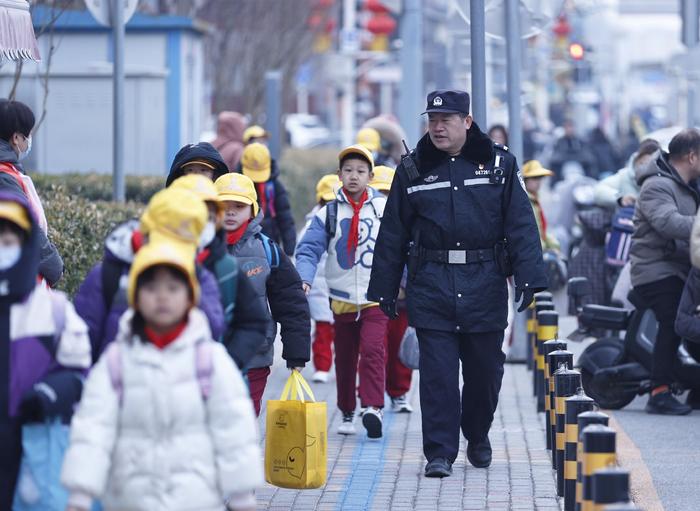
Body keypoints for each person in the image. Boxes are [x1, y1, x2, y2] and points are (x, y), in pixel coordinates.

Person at [368, 90, 546, 477]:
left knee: (486, 374)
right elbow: (393, 232)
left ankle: (477, 434)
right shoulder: (413, 169)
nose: (437, 126)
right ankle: (440, 452)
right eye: (432, 119)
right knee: (438, 378)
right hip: (431, 285)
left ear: (466, 122)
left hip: (484, 284)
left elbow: (521, 224)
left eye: (446, 119)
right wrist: (383, 288)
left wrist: (530, 278)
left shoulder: (499, 164)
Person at [61, 240, 262, 511]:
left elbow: (233, 428)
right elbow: (94, 428)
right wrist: (80, 494)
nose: (162, 296)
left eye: (173, 288)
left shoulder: (210, 360)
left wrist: (241, 494)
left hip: (196, 500)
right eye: (151, 288)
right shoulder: (117, 360)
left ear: (190, 296)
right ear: (135, 296)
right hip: (129, 500)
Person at [0, 189, 91, 509]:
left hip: (32, 449)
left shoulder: (53, 310)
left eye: (10, 242)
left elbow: (79, 372)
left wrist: (51, 393)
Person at [296, 145, 389, 439]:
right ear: (339, 175)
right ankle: (348, 409)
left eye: (360, 171)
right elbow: (308, 249)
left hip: (376, 296)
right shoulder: (329, 213)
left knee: (373, 350)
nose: (354, 176)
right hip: (342, 297)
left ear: (371, 176)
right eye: (348, 170)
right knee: (346, 357)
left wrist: (405, 282)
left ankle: (373, 407)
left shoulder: (384, 210)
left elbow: (403, 246)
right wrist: (304, 278)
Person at [73, 188, 225, 361]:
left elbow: (213, 329)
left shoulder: (200, 278)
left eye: (181, 243)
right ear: (145, 233)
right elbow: (80, 350)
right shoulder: (107, 275)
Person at [215, 172, 310, 416]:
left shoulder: (267, 250)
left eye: (239, 206)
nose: (231, 212)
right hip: (209, 356)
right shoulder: (197, 247)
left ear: (253, 210)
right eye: (223, 205)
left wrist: (296, 352)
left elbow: (291, 302)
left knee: (244, 419)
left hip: (254, 355)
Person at [630, 128, 700, 415]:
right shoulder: (656, 186)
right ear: (692, 157)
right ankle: (658, 392)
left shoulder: (686, 185)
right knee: (675, 320)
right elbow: (668, 223)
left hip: (680, 269)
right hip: (655, 271)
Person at [169, 174, 268, 370]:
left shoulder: (226, 268)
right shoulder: (146, 265)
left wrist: (229, 363)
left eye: (209, 217)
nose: (199, 224)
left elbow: (253, 323)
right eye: (191, 214)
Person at [0, 99, 63, 285]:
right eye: (27, 134)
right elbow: (25, 227)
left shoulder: (9, 171)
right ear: (16, 138)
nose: (29, 139)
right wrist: (54, 266)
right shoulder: (4, 178)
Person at [369, 165, 414, 412]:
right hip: (373, 299)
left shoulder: (406, 221)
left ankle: (399, 393)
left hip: (403, 299)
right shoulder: (364, 223)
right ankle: (372, 398)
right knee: (374, 350)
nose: (383, 200)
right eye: (378, 193)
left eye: (388, 193)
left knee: (400, 347)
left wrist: (406, 286)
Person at [299, 173, 340, 383]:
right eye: (326, 200)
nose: (330, 205)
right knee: (323, 327)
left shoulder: (347, 219)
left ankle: (344, 366)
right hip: (318, 285)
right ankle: (322, 365)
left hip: (341, 283)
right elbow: (303, 252)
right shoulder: (311, 223)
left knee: (344, 329)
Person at [238, 142, 297, 256]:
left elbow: (285, 218)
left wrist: (289, 248)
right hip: (241, 246)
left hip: (270, 244)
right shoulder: (235, 185)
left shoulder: (275, 186)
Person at [594, 139, 660, 210]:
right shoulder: (624, 176)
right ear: (636, 160)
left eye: (650, 165)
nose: (645, 168)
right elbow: (599, 191)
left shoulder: (662, 182)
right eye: (642, 163)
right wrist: (621, 199)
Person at [522, 160, 559, 251]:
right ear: (524, 179)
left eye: (540, 178)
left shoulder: (534, 199)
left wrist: (555, 247)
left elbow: (542, 230)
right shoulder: (524, 202)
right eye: (534, 178)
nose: (538, 182)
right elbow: (530, 233)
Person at [165, 141, 230, 186]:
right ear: (182, 175)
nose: (196, 174)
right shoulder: (175, 202)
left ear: (215, 176)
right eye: (190, 170)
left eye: (203, 170)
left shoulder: (221, 202)